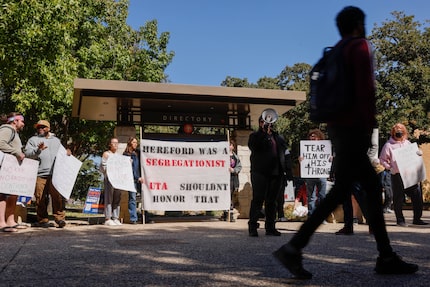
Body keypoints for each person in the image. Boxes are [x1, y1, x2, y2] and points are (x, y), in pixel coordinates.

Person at [273, 6, 418, 279]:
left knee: (357, 189)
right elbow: (365, 90)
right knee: (349, 190)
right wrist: (367, 128)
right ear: (359, 24)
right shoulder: (359, 47)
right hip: (355, 127)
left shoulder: (335, 50)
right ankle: (295, 248)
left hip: (338, 128)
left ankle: (384, 255)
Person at [379, 123, 428, 226]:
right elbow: (382, 160)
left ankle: (417, 218)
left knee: (417, 196)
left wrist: (418, 153)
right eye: (397, 131)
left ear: (404, 132)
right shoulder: (388, 145)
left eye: (401, 131)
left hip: (410, 174)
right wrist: (390, 168)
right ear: (393, 133)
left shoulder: (408, 143)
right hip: (397, 175)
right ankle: (400, 220)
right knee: (398, 198)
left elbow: (414, 155)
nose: (399, 133)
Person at [25, 120, 70, 228]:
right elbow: (27, 154)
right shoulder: (33, 140)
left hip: (55, 174)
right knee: (40, 198)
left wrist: (67, 152)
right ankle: (42, 220)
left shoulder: (56, 141)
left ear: (48, 129)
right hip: (39, 174)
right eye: (38, 127)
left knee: (57, 197)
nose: (40, 128)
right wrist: (38, 149)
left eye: (43, 127)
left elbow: (62, 153)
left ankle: (60, 219)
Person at [248, 114, 287, 237]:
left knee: (272, 201)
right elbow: (254, 147)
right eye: (264, 121)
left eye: (270, 122)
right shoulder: (254, 136)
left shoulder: (278, 137)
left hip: (276, 173)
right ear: (260, 123)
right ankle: (253, 227)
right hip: (260, 172)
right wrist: (264, 133)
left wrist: (286, 171)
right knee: (258, 200)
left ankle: (270, 227)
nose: (268, 124)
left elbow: (284, 154)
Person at [0, 112, 26, 232]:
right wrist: (16, 153)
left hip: (11, 169)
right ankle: (1, 223)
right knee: (3, 194)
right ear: (15, 121)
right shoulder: (7, 129)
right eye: (22, 121)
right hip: (4, 167)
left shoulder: (14, 133)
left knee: (12, 193)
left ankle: (10, 221)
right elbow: (0, 142)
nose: (23, 124)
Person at [299, 129, 328, 216]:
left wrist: (329, 159)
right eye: (311, 137)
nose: (312, 139)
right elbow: (303, 160)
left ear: (319, 138)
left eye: (314, 137)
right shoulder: (305, 148)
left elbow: (328, 159)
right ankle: (311, 216)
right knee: (311, 197)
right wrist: (300, 159)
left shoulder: (325, 147)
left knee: (322, 196)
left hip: (322, 175)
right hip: (310, 175)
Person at [100, 137, 122, 226]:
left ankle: (115, 217)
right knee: (109, 198)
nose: (116, 145)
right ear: (110, 144)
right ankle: (108, 218)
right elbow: (103, 167)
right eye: (114, 143)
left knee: (117, 197)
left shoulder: (119, 155)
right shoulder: (106, 154)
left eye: (117, 143)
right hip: (109, 179)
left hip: (118, 180)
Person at [221, 139, 242, 222]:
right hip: (225, 178)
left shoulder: (235, 157)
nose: (229, 146)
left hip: (233, 178)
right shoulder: (223, 156)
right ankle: (227, 213)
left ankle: (230, 213)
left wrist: (234, 170)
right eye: (228, 145)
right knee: (226, 196)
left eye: (230, 145)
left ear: (233, 147)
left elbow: (239, 167)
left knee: (231, 196)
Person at [277, 148, 294, 222]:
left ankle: (280, 215)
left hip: (280, 176)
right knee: (277, 197)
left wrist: (289, 174)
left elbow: (288, 163)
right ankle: (276, 215)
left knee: (280, 197)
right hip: (274, 175)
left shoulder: (284, 150)